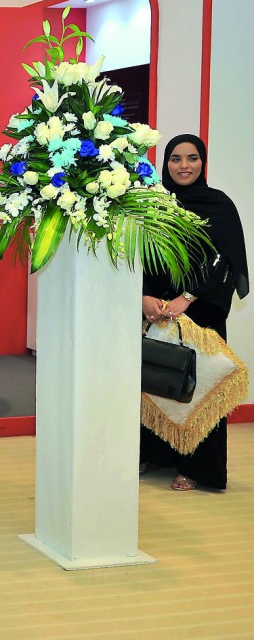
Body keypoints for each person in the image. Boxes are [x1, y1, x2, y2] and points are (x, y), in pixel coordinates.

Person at [140, 134, 249, 491]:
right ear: (165, 163)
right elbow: (137, 258)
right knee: (156, 380)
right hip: (156, 310)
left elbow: (227, 264)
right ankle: (156, 454)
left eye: (191, 158)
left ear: (203, 162)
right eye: (175, 158)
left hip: (201, 312)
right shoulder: (153, 204)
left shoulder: (219, 205)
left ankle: (197, 467)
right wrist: (143, 297)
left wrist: (187, 298)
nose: (184, 165)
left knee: (198, 386)